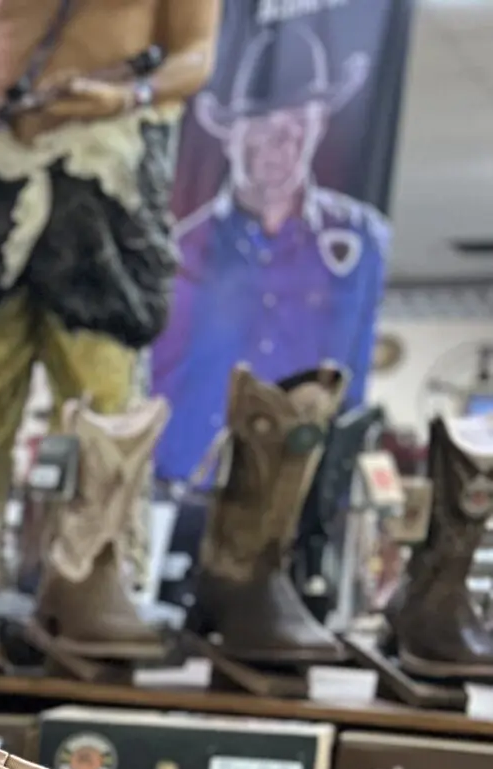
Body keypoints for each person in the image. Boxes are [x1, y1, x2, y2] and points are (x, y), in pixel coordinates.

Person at [0, 0, 219, 551]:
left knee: (99, 407)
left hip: (104, 176)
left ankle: (93, 581)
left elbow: (195, 55)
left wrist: (130, 95)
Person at [148, 19, 390, 482]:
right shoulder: (174, 253)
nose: (282, 142)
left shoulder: (363, 244)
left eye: (299, 122)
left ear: (319, 126)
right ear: (231, 132)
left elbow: (352, 388)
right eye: (263, 124)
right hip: (183, 495)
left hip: (294, 498)